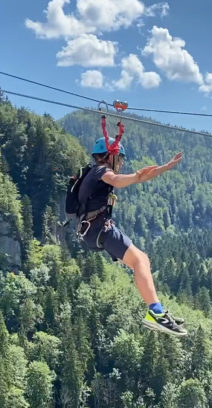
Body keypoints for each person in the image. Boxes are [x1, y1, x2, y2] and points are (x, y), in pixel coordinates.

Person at [77, 136, 187, 336]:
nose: (121, 163)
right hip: (100, 228)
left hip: (94, 231)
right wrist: (135, 175)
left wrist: (165, 167)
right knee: (140, 261)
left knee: (141, 260)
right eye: (120, 158)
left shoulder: (93, 173)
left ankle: (157, 311)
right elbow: (117, 181)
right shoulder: (102, 171)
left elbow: (140, 177)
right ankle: (156, 313)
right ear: (110, 156)